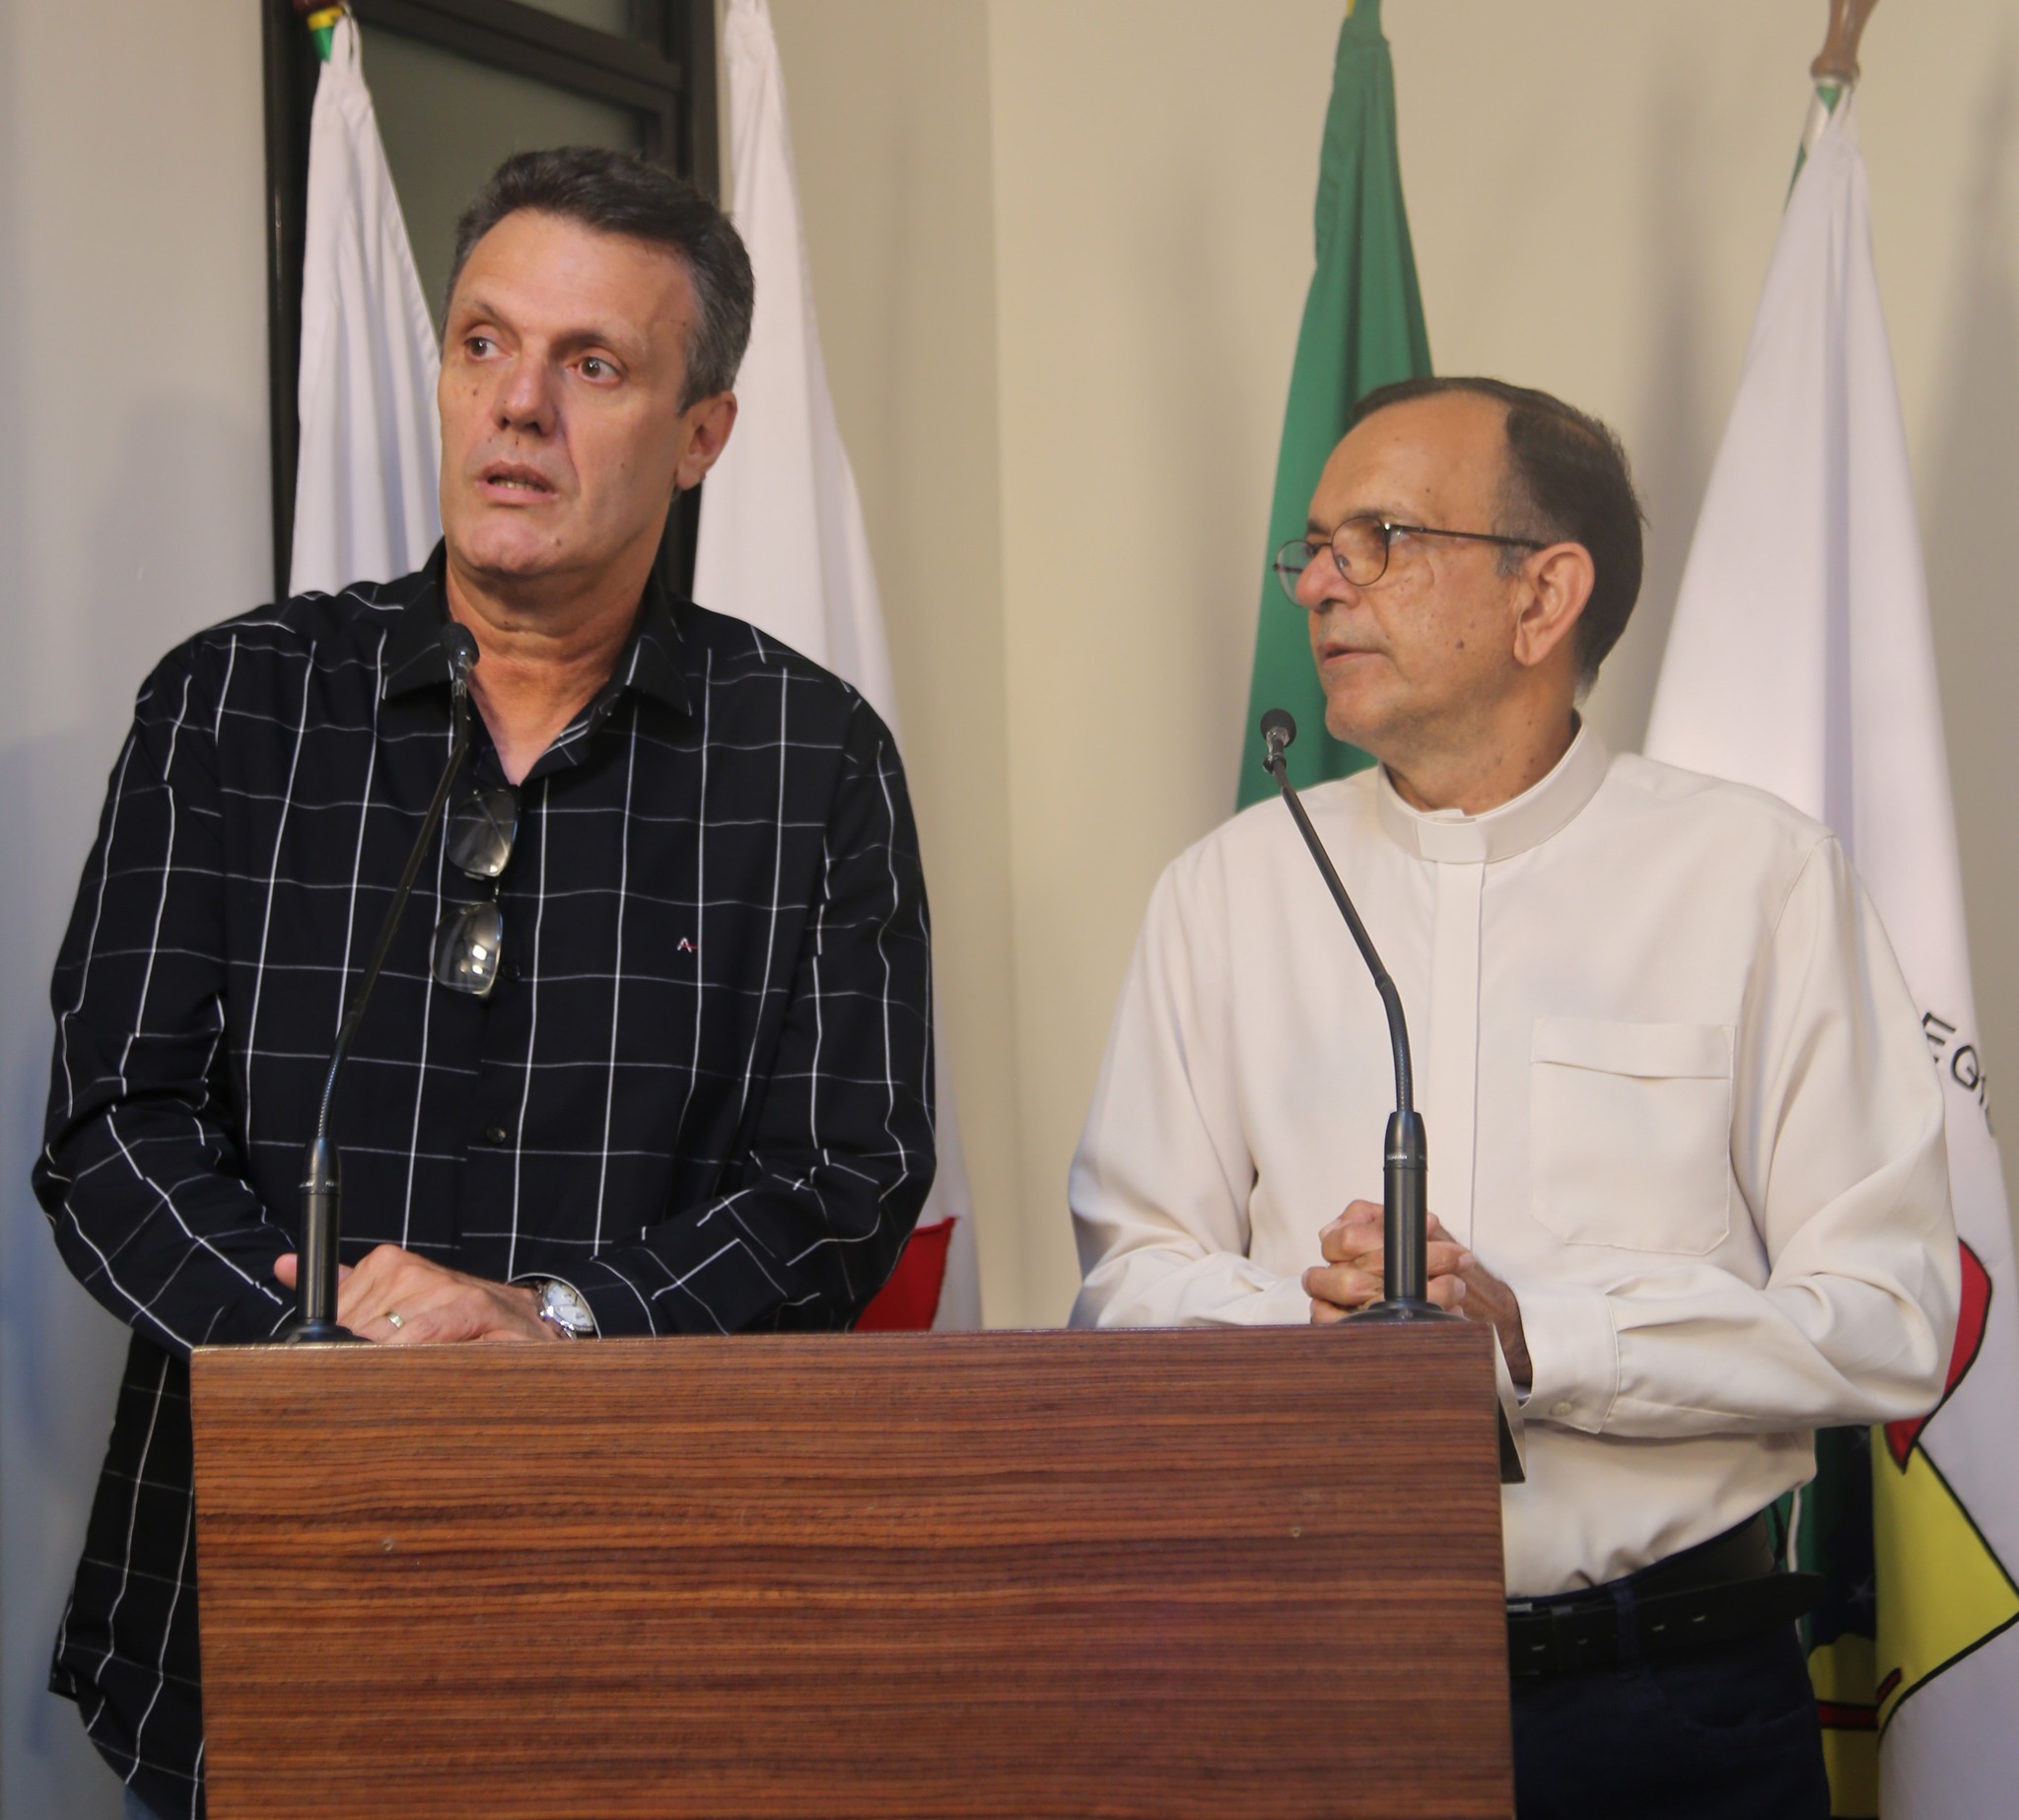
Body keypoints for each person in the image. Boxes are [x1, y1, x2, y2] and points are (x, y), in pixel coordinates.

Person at [36, 149, 936, 1820]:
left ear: (703, 434)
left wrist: (554, 1325)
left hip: (645, 1617)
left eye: (591, 365)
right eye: (481, 344)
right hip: (250, 1612)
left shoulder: (811, 758)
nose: (516, 406)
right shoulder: (234, 705)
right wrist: (323, 1337)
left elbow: (847, 1173)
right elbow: (111, 1128)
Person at [1069, 377, 1958, 1818]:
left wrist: (1540, 1338)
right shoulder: (1228, 890)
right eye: (1310, 546)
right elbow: (1126, 1284)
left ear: (1545, 596)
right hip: (1314, 1681)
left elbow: (1892, 1313)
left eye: (1380, 538)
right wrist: (1329, 1330)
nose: (1317, 585)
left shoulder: (1757, 879)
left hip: (1672, 1699)